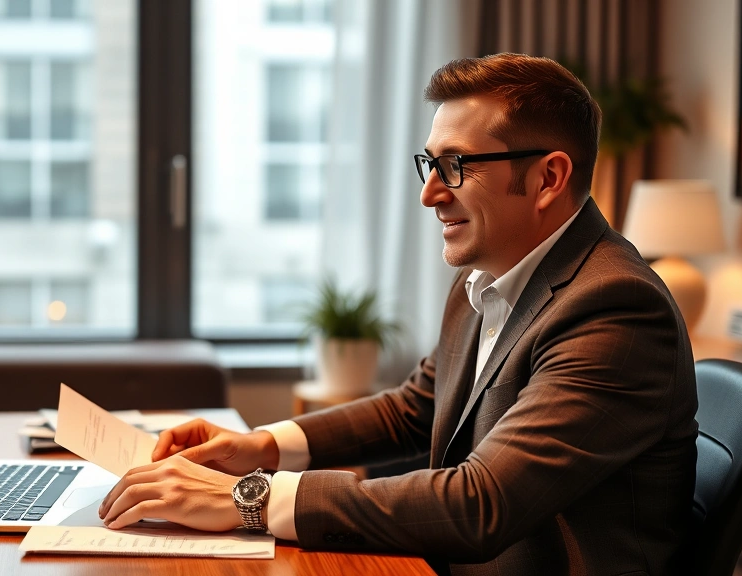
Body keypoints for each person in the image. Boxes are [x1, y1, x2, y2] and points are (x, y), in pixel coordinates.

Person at [98, 53, 698, 574]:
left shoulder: (615, 308)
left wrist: (250, 498)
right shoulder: (488, 276)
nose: (430, 192)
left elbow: (480, 502)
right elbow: (417, 408)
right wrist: (261, 447)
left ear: (548, 177)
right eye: (429, 163)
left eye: (457, 166)